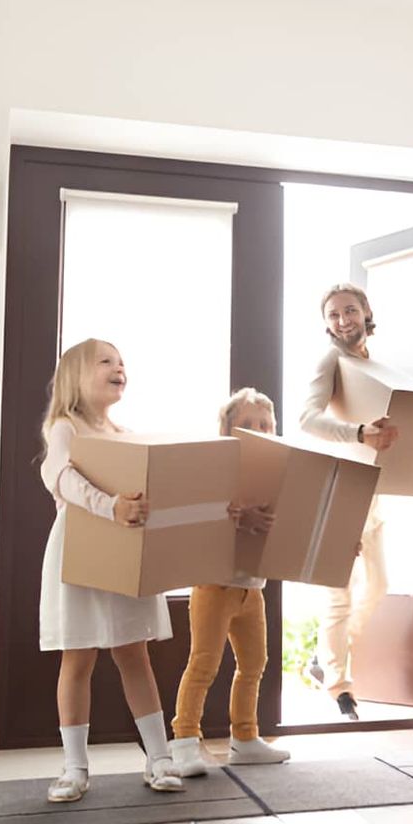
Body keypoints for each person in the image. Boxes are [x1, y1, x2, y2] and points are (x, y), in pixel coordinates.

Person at [36, 338, 186, 800]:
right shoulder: (65, 427)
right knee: (78, 656)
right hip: (81, 550)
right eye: (106, 361)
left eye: (122, 362)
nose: (119, 367)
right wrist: (109, 506)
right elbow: (58, 474)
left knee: (133, 653)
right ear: (75, 376)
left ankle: (159, 757)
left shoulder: (125, 435)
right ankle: (74, 767)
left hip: (123, 551)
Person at [168, 388, 294, 775]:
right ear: (228, 429)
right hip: (213, 584)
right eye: (248, 425)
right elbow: (204, 514)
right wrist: (240, 517)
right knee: (204, 662)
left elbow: (292, 525)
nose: (258, 430)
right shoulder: (218, 468)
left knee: (255, 663)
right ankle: (185, 741)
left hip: (251, 587)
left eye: (265, 425)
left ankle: (245, 738)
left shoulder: (277, 474)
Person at [298, 283, 398, 719]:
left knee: (377, 585)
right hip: (341, 487)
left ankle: (322, 659)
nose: (343, 319)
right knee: (339, 594)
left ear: (366, 313)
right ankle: (339, 685)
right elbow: (307, 419)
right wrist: (357, 432)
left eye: (350, 311)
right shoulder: (331, 361)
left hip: (374, 489)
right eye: (335, 314)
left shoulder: (374, 365)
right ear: (327, 323)